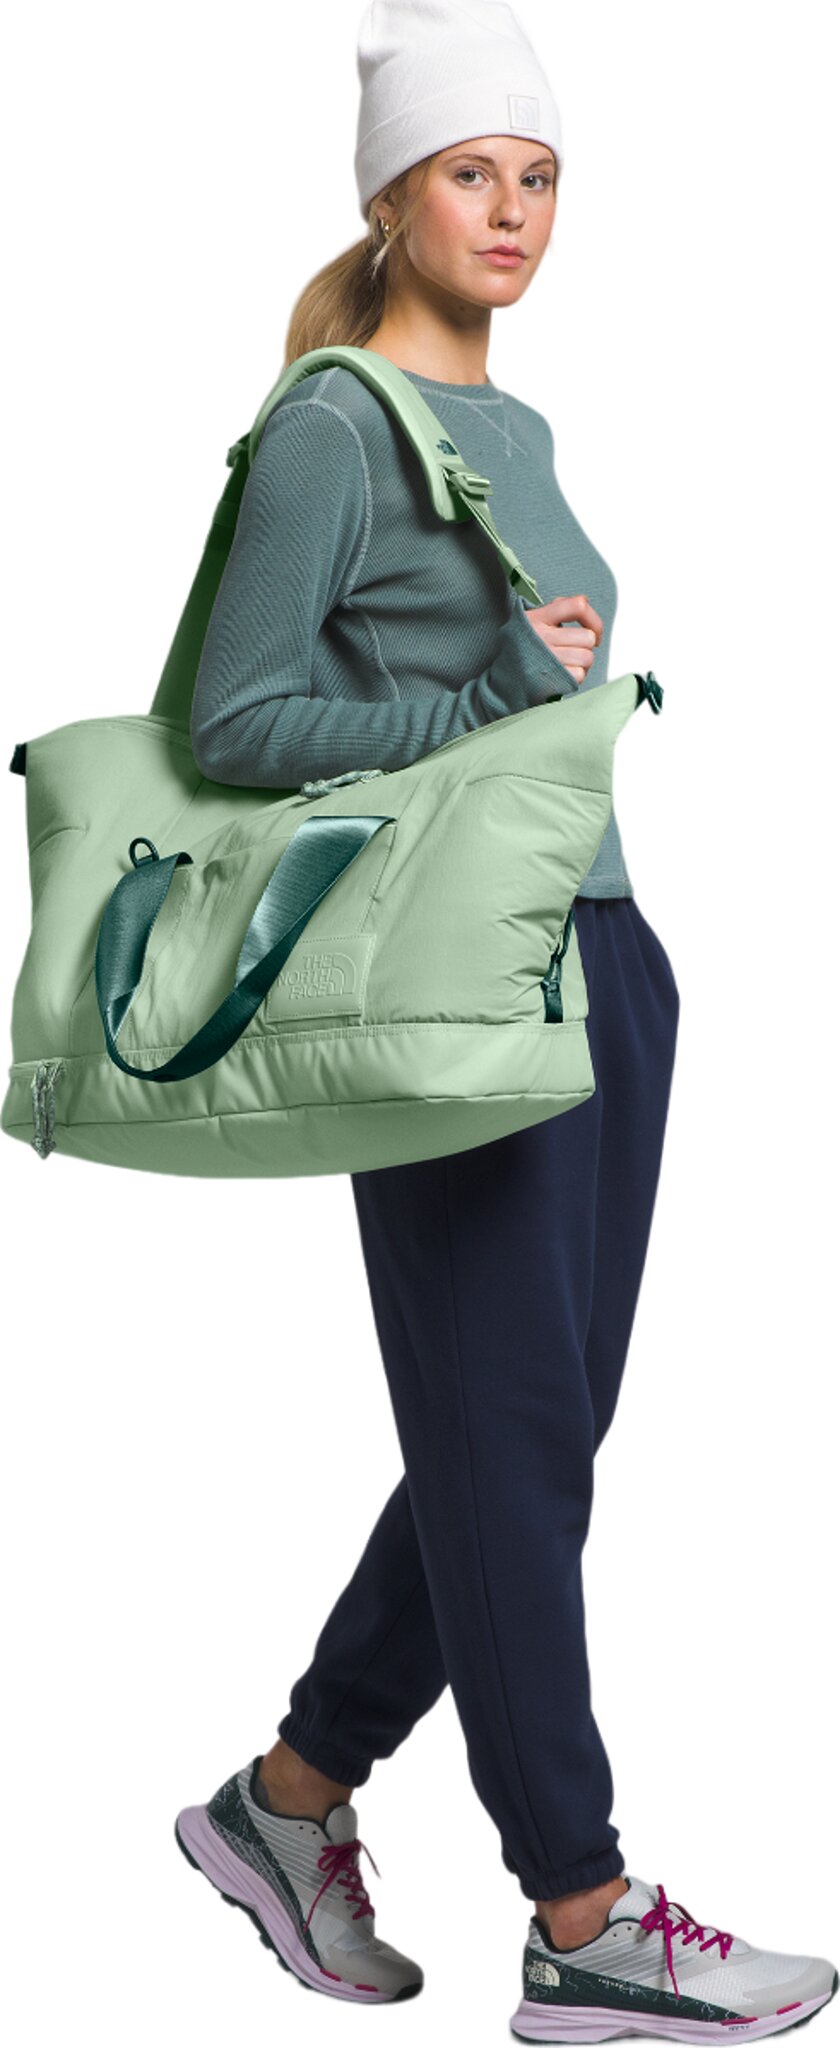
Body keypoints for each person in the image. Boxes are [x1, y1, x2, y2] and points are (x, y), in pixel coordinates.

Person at [174, 3, 838, 2036]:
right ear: (394, 195)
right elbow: (231, 722)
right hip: (451, 990)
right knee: (516, 1441)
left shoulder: (511, 431)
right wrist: (474, 699)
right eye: (473, 172)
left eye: (540, 177)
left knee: (528, 1440)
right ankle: (582, 1911)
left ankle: (291, 1797)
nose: (515, 210)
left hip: (597, 956)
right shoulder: (335, 425)